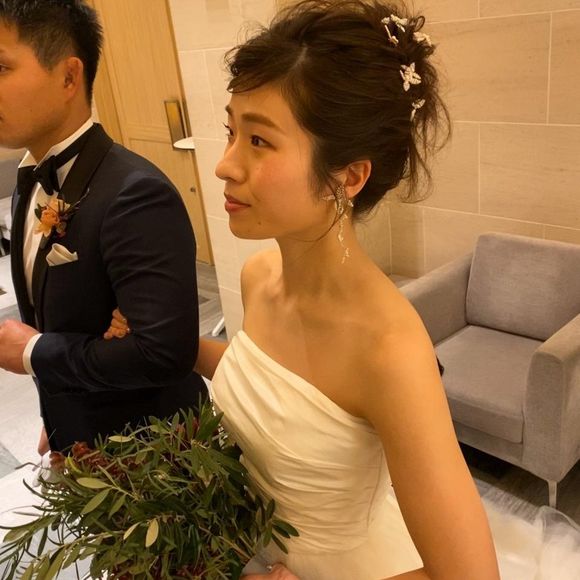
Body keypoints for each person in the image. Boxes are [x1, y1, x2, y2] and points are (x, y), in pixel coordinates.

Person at [109, 1, 500, 578]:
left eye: (259, 141)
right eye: (231, 132)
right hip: (251, 551)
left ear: (349, 176)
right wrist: (170, 345)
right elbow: (275, 389)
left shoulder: (388, 348)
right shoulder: (259, 276)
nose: (224, 166)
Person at [0, 0, 207, 454]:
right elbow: (58, 315)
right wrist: (58, 416)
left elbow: (163, 354)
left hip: (154, 459)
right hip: (80, 444)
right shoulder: (29, 181)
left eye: (1, 67)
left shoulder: (137, 193)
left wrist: (32, 353)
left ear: (69, 77)